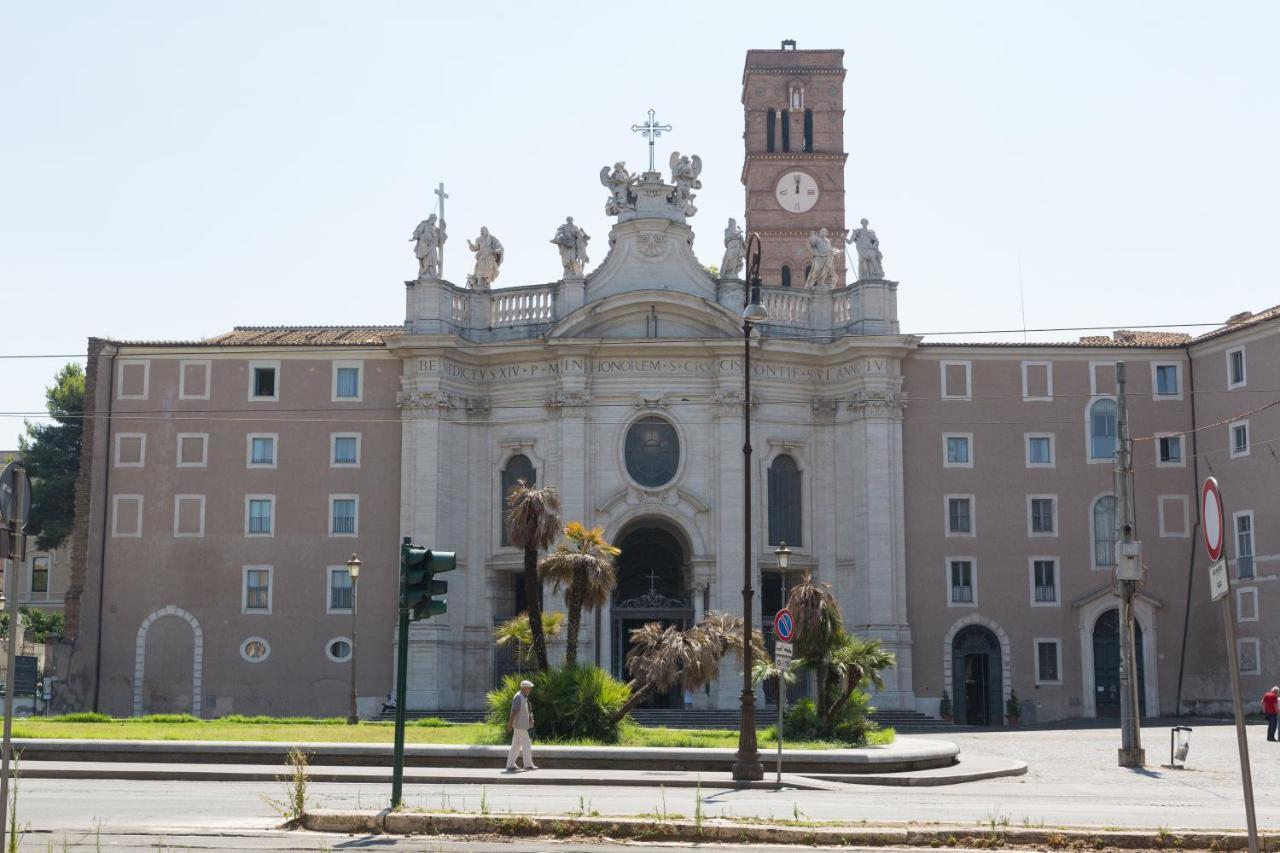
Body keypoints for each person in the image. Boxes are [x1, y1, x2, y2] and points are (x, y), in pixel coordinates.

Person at [506, 679, 537, 771]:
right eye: (528, 688)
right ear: (523, 688)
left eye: (530, 689)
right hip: (519, 725)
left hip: (521, 725)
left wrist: (530, 719)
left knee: (516, 745)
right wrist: (510, 723)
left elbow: (526, 710)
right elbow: (514, 711)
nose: (530, 690)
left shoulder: (523, 697)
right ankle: (528, 765)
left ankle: (510, 765)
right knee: (527, 743)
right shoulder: (518, 697)